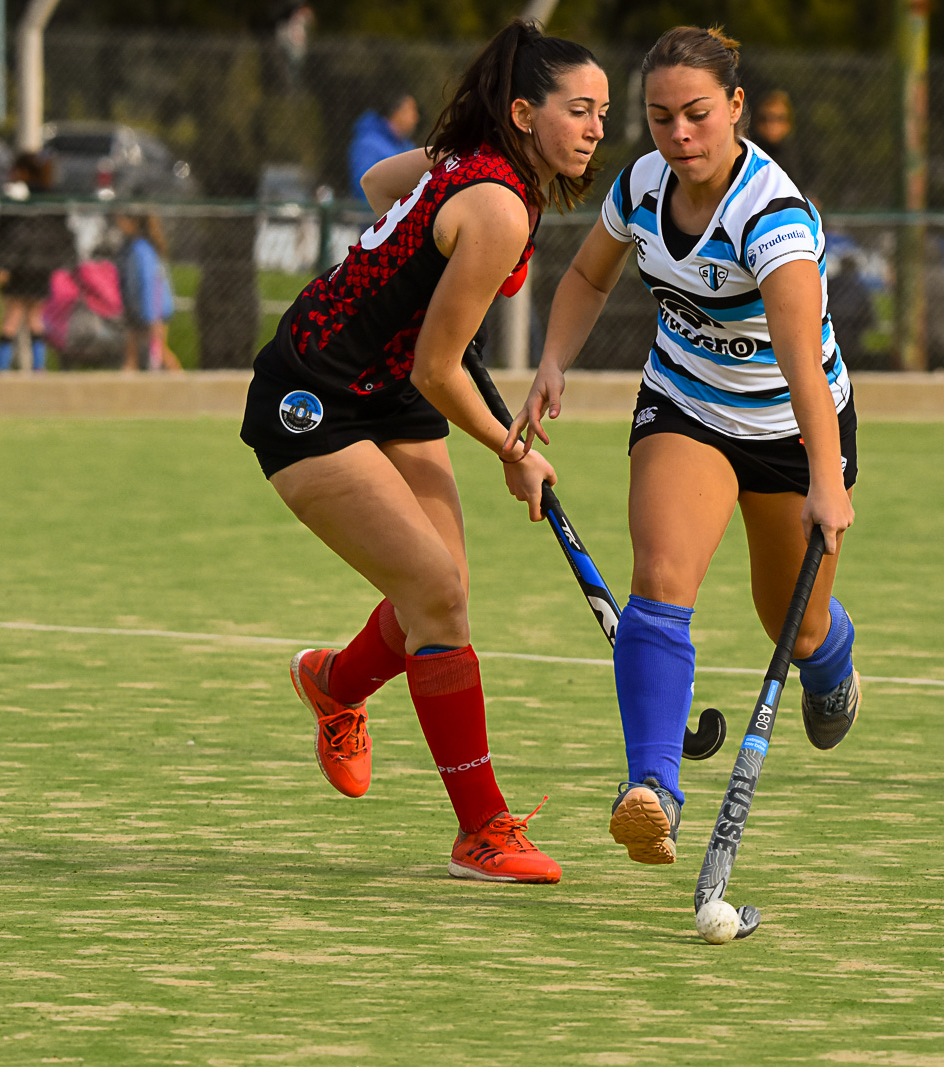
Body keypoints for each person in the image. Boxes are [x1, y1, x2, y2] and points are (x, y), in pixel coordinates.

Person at [238, 20, 608, 883]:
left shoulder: (470, 168)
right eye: (578, 110)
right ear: (523, 113)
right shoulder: (500, 205)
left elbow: (378, 183)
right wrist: (511, 449)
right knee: (435, 593)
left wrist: (409, 259)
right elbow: (440, 368)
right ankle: (482, 831)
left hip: (387, 388)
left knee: (439, 598)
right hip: (314, 394)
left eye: (600, 111)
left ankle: (336, 684)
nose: (596, 128)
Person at [505, 26, 859, 867]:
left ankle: (831, 654)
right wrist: (554, 358)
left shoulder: (771, 216)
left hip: (789, 423)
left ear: (736, 108)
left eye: (697, 115)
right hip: (685, 405)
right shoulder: (640, 184)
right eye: (660, 118)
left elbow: (801, 360)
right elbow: (590, 275)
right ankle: (653, 788)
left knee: (793, 622)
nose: (679, 136)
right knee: (659, 580)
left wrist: (825, 478)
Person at [0, 153, 75, 372]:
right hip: (41, 266)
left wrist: (2, 264)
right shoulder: (51, 197)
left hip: (19, 265)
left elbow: (6, 235)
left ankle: (2, 369)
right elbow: (63, 233)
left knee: (12, 316)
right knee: (35, 318)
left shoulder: (16, 196)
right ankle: (39, 368)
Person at [113, 214, 182, 372]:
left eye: (122, 219)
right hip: (138, 312)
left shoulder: (142, 250)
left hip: (153, 312)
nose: (118, 223)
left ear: (134, 222)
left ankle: (182, 384)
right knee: (132, 355)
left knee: (159, 351)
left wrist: (153, 318)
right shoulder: (130, 247)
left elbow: (151, 284)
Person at [348, 93, 420, 203]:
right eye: (411, 110)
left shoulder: (407, 145)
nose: (416, 117)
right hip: (375, 217)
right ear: (397, 113)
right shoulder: (367, 144)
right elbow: (365, 186)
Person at [750, 89, 799, 185]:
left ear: (788, 123)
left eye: (779, 118)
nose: (771, 124)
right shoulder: (749, 155)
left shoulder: (794, 157)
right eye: (764, 118)